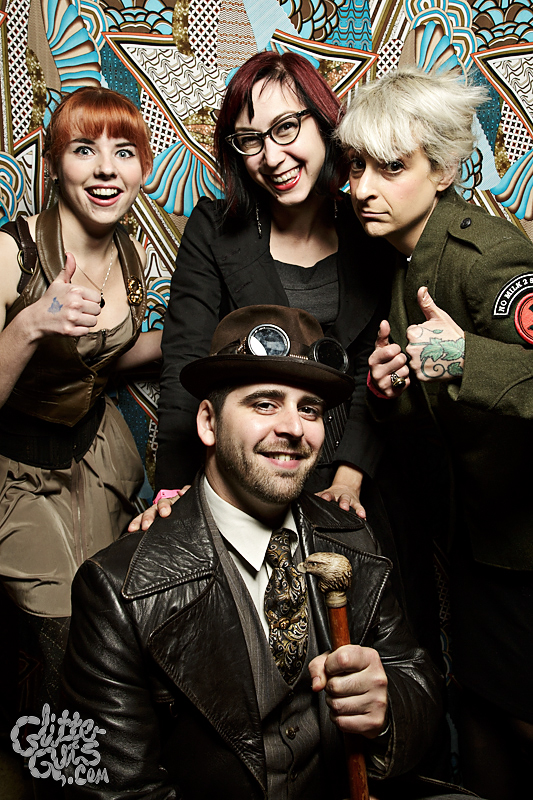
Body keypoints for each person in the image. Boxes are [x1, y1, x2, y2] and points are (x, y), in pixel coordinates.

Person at [62, 304, 475, 800]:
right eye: (264, 404)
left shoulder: (353, 539)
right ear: (209, 423)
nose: (295, 428)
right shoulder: (118, 590)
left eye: (310, 409)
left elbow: (417, 684)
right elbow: (114, 789)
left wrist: (387, 712)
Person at [338, 66, 533, 800]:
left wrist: (461, 356)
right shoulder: (405, 261)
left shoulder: (486, 258)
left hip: (522, 546)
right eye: (356, 166)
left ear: (444, 170)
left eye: (390, 167)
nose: (362, 188)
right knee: (480, 715)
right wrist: (388, 392)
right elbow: (445, 416)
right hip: (476, 542)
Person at [151, 50, 393, 524]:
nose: (272, 157)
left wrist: (348, 478)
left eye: (286, 128)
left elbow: (375, 364)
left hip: (357, 474)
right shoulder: (214, 230)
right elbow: (184, 359)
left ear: (322, 122)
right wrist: (172, 489)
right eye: (250, 140)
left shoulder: (370, 221)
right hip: (250, 475)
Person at [0, 86, 160, 720]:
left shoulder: (132, 253)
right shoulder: (12, 253)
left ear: (143, 168)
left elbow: (99, 358)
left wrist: (188, 341)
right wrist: (30, 323)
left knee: (111, 619)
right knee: (65, 634)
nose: (105, 170)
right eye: (84, 150)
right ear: (53, 163)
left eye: (124, 152)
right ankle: (67, 767)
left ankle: (119, 766)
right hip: (18, 466)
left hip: (96, 454)